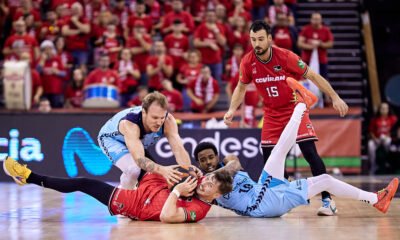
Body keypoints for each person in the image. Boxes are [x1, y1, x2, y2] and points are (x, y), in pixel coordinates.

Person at [223, 20, 349, 216]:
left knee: (309, 153)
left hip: (295, 109)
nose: (257, 44)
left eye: (261, 39)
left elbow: (313, 76)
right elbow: (240, 87)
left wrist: (334, 96)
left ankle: (327, 200)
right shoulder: (248, 62)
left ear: (270, 39)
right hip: (272, 114)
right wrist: (232, 109)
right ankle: (283, 196)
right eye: (253, 40)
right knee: (271, 159)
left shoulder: (286, 57)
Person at [196, 98, 398, 217]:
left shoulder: (227, 164)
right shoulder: (204, 184)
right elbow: (215, 182)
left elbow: (234, 164)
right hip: (259, 205)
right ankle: (301, 105)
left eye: (210, 157)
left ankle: (375, 200)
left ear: (217, 156)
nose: (207, 162)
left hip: (269, 196)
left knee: (325, 180)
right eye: (203, 160)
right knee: (277, 153)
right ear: (198, 163)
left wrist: (224, 167)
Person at [3, 156, 233, 223]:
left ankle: (29, 176)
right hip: (155, 185)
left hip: (136, 203)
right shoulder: (202, 184)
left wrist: (176, 191)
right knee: (142, 154)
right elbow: (188, 177)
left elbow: (166, 216)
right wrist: (176, 171)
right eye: (208, 178)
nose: (205, 183)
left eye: (210, 185)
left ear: (217, 195)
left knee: (84, 183)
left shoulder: (199, 210)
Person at [98, 92, 200, 190]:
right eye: (155, 117)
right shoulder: (130, 123)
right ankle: (121, 200)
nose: (159, 122)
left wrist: (189, 170)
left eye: (161, 117)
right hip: (113, 139)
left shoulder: (168, 120)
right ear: (144, 112)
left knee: (155, 177)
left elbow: (179, 150)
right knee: (134, 170)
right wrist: (163, 170)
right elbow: (140, 160)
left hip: (136, 140)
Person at [368, 102, 398, 174]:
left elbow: (395, 130)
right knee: (370, 145)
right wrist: (375, 139)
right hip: (377, 139)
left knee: (388, 141)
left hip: (388, 139)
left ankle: (388, 161)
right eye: (382, 108)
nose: (384, 110)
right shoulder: (375, 119)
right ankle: (373, 165)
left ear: (388, 109)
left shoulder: (393, 119)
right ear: (379, 109)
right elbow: (371, 131)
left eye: (385, 108)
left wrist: (387, 136)